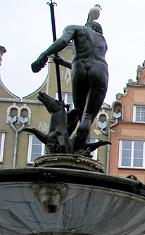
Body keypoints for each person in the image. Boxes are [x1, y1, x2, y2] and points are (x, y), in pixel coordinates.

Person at [31, 10, 108, 153]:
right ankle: (81, 147)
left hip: (79, 69)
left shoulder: (75, 28)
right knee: (87, 116)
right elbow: (92, 61)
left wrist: (44, 54)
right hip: (101, 72)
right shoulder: (103, 41)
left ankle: (64, 141)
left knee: (79, 110)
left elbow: (63, 41)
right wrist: (63, 62)